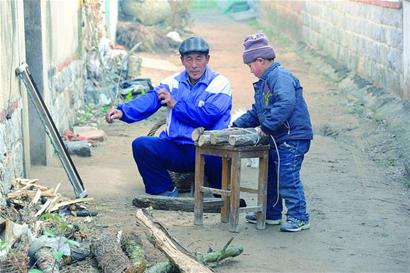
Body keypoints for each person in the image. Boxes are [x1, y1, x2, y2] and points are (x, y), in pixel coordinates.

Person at [106, 36, 232, 197]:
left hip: (207, 150)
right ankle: (163, 191)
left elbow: (206, 116)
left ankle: (220, 195)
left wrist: (175, 104)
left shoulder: (220, 83)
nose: (194, 65)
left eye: (199, 59)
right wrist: (123, 111)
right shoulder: (172, 82)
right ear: (182, 60)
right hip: (176, 148)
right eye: (189, 59)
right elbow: (151, 98)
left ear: (207, 59)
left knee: (219, 155)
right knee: (142, 145)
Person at [232, 33, 313, 232]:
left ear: (260, 60)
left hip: (292, 137)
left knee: (287, 177)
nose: (250, 70)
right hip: (278, 139)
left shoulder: (280, 77)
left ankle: (299, 216)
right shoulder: (265, 82)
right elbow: (257, 111)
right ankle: (271, 213)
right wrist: (236, 124)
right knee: (271, 177)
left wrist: (265, 128)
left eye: (250, 65)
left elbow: (286, 103)